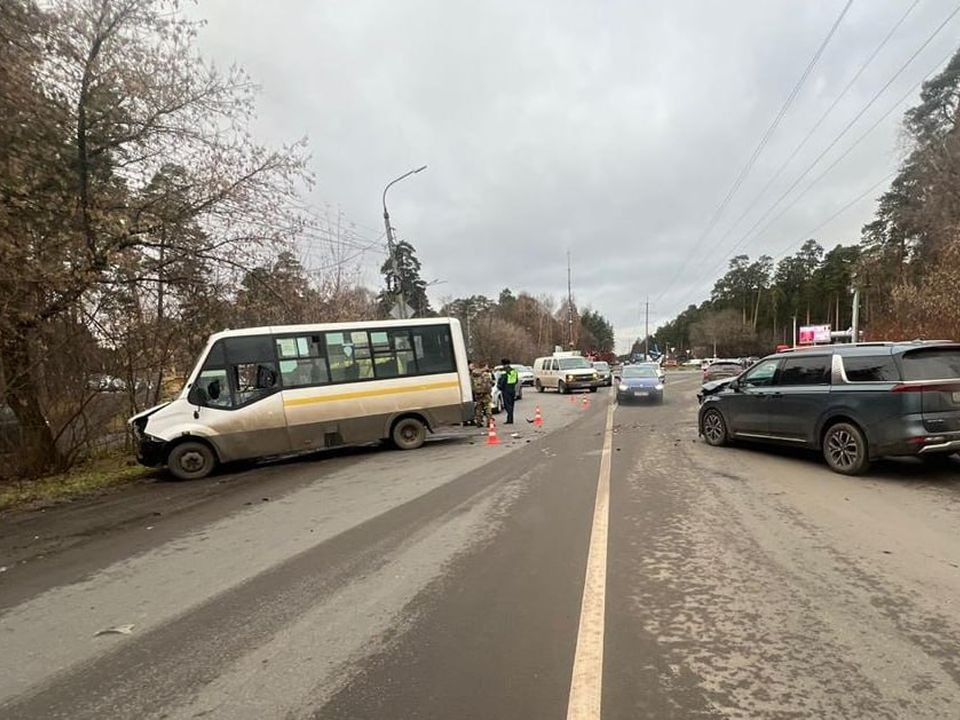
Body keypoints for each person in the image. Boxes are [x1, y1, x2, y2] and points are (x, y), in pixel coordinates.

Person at [469, 360, 493, 428]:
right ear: (484, 366)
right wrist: (489, 391)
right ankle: (489, 422)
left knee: (479, 408)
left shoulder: (473, 374)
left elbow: (472, 384)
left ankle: (479, 422)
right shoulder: (486, 374)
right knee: (488, 408)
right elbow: (488, 384)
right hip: (485, 394)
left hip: (477, 393)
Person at [496, 357, 519, 425]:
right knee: (511, 404)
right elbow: (516, 380)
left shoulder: (505, 371)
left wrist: (499, 387)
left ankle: (510, 419)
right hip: (512, 389)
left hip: (506, 390)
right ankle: (510, 418)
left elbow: (502, 381)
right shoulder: (514, 371)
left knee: (507, 405)